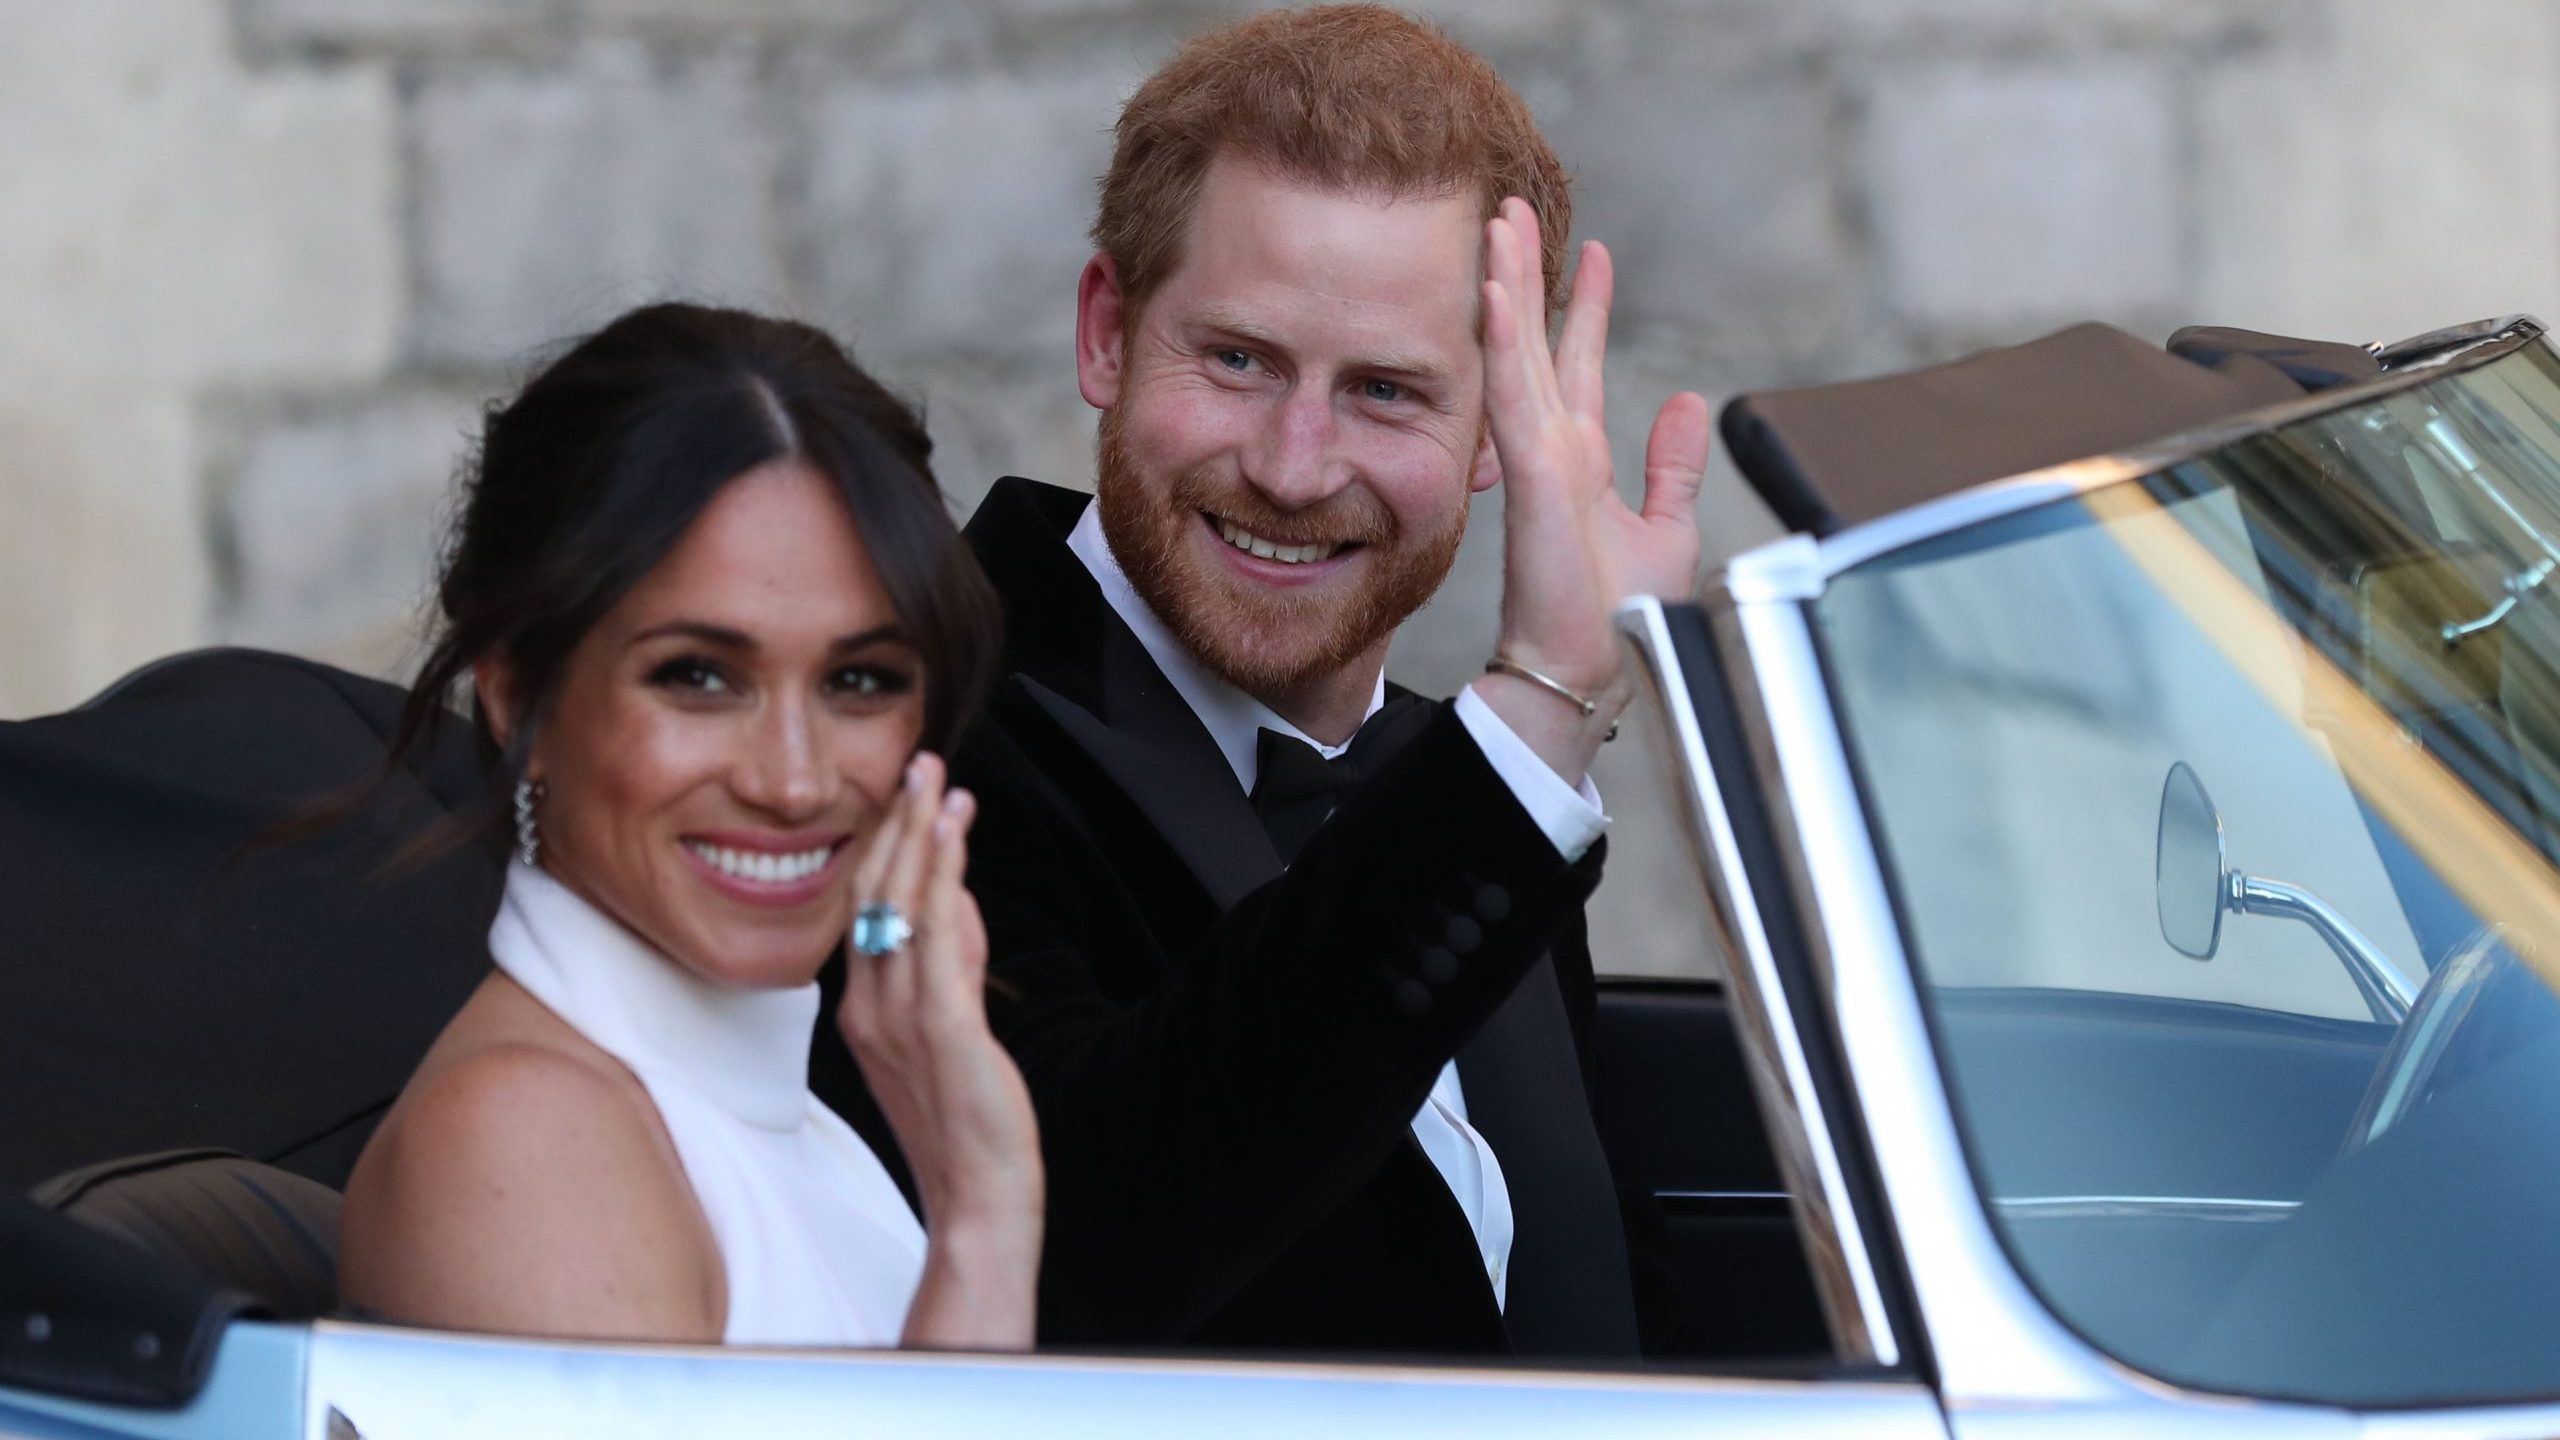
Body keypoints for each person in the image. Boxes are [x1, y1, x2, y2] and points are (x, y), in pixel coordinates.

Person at [809, 5, 1712, 1357]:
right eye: (1238, 360)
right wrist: (1538, 713)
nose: (1294, 465)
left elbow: (1585, 1301)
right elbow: (1074, 1249)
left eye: (1388, 392)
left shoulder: (1453, 780)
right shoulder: (907, 726)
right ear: (1108, 333)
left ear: (1494, 432)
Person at [338, 303, 1043, 1349]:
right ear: (515, 693)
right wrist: (984, 1227)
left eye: (859, 680)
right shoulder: (526, 1140)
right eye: (699, 677)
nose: (795, 781)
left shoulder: (795, 1126)